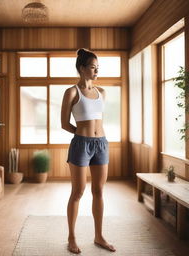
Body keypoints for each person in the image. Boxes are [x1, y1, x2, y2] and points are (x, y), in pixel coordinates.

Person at [61, 48, 116, 254]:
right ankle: (72, 237)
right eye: (93, 67)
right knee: (78, 192)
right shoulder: (72, 92)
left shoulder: (101, 92)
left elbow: (98, 118)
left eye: (97, 68)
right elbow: (64, 124)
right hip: (81, 145)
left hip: (101, 144)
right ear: (82, 69)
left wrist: (93, 136)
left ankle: (99, 236)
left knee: (99, 191)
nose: (96, 71)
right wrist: (82, 135)